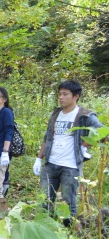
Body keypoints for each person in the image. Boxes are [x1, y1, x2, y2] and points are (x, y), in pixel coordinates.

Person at [33, 80, 102, 227]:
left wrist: (85, 144)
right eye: (60, 94)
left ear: (76, 96)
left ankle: (69, 233)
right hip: (51, 164)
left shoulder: (85, 115)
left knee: (68, 201)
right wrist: (39, 159)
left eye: (65, 94)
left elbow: (102, 133)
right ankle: (47, 229)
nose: (61, 97)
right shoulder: (56, 114)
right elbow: (48, 137)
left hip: (70, 166)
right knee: (45, 200)